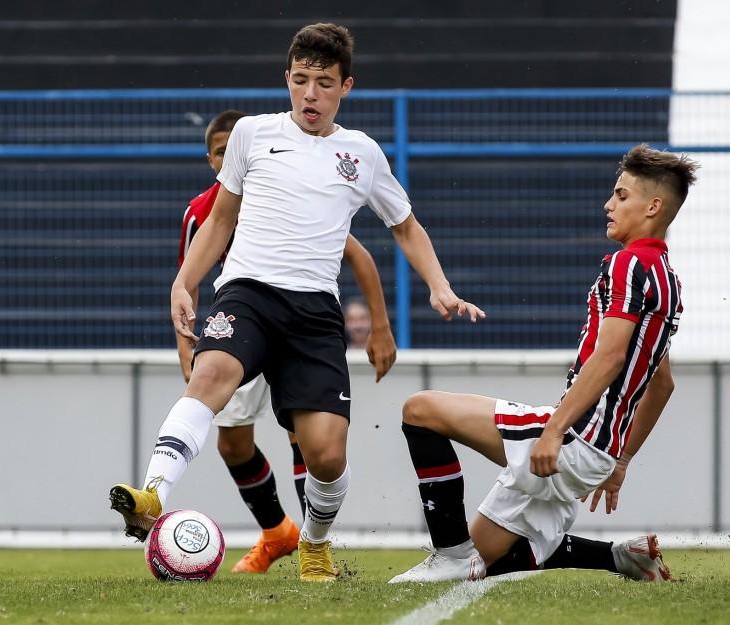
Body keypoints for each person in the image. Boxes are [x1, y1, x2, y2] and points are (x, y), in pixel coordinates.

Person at [109, 22, 483, 583]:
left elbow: (405, 227)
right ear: (287, 79)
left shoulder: (362, 154)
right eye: (302, 80)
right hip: (249, 293)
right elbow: (221, 218)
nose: (311, 94)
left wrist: (439, 285)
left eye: (325, 83)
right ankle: (153, 493)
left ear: (345, 87)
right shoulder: (252, 135)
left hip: (314, 312)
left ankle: (313, 543)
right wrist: (183, 282)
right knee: (210, 374)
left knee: (327, 456)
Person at [388, 144, 699, 583]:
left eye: (621, 195)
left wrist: (554, 432)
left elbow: (610, 358)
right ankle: (621, 557)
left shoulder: (629, 265)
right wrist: (621, 461)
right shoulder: (667, 277)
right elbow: (661, 383)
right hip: (599, 450)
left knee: (420, 411)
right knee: (484, 557)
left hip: (575, 436)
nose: (608, 205)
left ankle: (449, 555)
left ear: (653, 206)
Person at [174, 110, 397, 574]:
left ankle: (316, 545)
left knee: (307, 437)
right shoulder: (201, 213)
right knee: (232, 445)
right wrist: (187, 358)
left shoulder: (289, 190)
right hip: (241, 327)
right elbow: (188, 285)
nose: (224, 158)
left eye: (227, 149)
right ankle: (277, 532)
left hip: (297, 323)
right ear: (213, 157)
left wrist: (380, 326)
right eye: (217, 151)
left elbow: (360, 257)